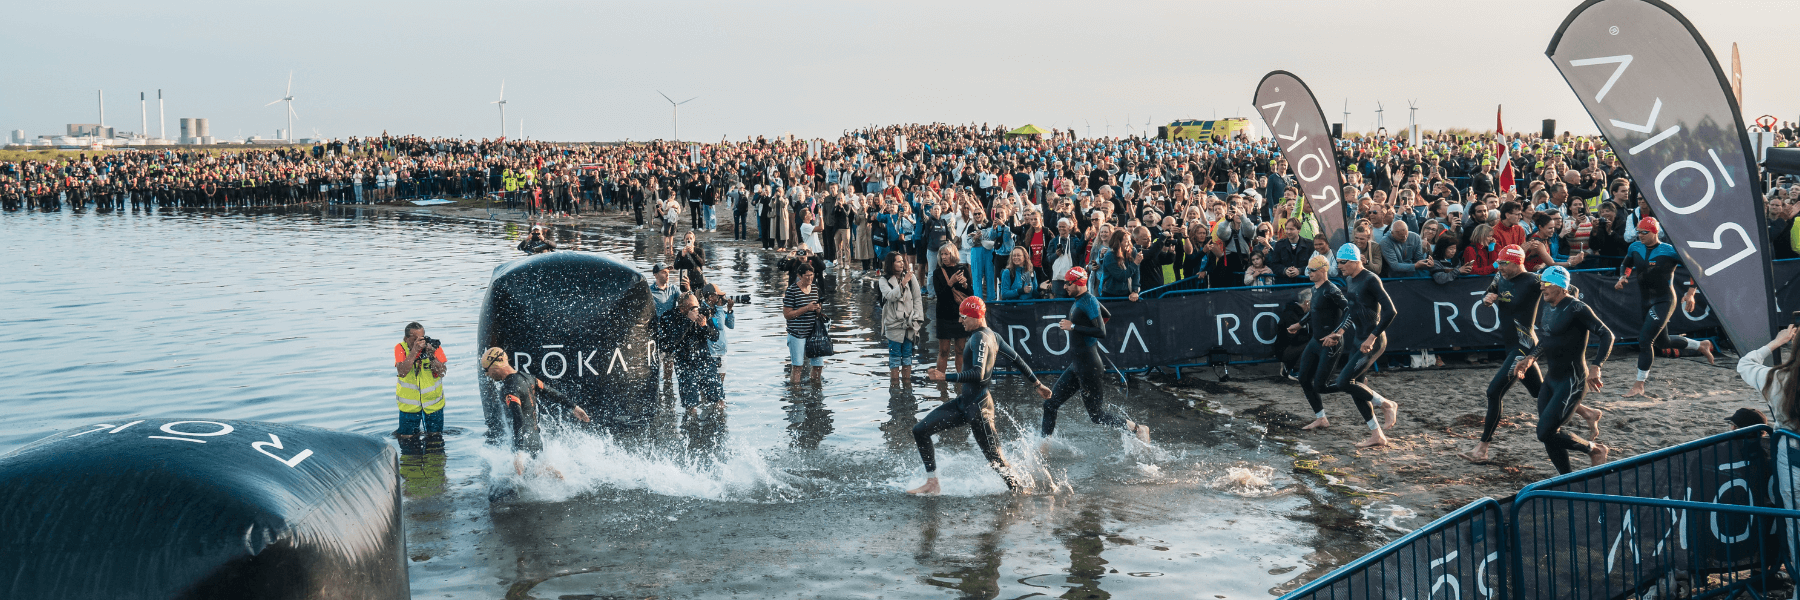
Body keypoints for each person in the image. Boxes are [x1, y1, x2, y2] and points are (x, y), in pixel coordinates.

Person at [1462, 245, 1602, 462]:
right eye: (1498, 263)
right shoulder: (1500, 277)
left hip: (1524, 346)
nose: (1499, 267)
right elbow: (1489, 290)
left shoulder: (1533, 280)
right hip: (1510, 344)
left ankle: (1482, 448)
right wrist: (1486, 298)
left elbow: (1567, 289)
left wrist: (1562, 314)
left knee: (1493, 392)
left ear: (1517, 262)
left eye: (1504, 263)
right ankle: (1587, 413)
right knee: (1539, 392)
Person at [907, 296, 1053, 495]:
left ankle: (1022, 493)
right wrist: (1037, 384)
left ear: (975, 316)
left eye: (963, 317)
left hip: (979, 408)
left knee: (997, 460)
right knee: (920, 430)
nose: (960, 321)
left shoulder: (980, 337)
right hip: (964, 403)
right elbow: (1017, 360)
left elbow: (979, 375)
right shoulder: (992, 336)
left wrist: (945, 376)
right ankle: (932, 483)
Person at [1516, 267, 1612, 474]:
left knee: (1544, 432)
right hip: (1552, 379)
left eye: (1546, 283)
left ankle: (1595, 450)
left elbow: (1607, 335)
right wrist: (1531, 357)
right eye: (1541, 283)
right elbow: (1546, 338)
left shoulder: (1578, 308)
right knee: (1549, 433)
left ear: (1560, 286)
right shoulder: (1549, 306)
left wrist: (1597, 366)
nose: (1541, 287)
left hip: (1573, 380)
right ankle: (1566, 479)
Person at [1041, 267, 1152, 444]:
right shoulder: (1081, 300)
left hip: (1089, 366)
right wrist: (1086, 334)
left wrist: (1075, 327)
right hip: (1076, 365)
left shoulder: (1089, 301)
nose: (1065, 287)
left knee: (1097, 415)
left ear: (1078, 283)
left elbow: (1101, 331)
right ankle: (1044, 445)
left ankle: (1139, 429)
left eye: (1068, 284)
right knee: (1050, 404)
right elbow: (1106, 315)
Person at [1615, 217, 1715, 397]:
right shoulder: (1635, 247)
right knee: (1663, 342)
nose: (1640, 236)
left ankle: (1639, 384)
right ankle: (1701, 345)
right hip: (1646, 301)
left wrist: (1691, 293)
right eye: (1638, 232)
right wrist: (1623, 277)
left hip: (1665, 300)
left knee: (1645, 340)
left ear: (1654, 232)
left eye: (1644, 232)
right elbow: (1626, 264)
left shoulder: (1669, 251)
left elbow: (1697, 269)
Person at [1324, 243, 1401, 448]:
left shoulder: (1370, 279)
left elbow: (1390, 311)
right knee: (1356, 387)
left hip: (1372, 341)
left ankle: (1386, 404)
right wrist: (1339, 332)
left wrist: (1372, 338)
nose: (1339, 266)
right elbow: (1351, 310)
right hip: (1359, 339)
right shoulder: (1350, 279)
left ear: (1356, 261)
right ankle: (1377, 435)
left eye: (1342, 262)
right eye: (1337, 262)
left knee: (1342, 382)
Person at [1737, 324, 1800, 562]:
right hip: (1791, 460)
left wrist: (1776, 342)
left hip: (1792, 461)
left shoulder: (1777, 378)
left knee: (1796, 526)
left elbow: (1745, 364)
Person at [480, 347, 591, 478]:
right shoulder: (528, 378)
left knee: (518, 480)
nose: (487, 374)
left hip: (523, 440)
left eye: (486, 370)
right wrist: (574, 407)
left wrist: (519, 451)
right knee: (537, 473)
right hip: (535, 438)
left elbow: (518, 417)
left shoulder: (509, 388)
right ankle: (563, 483)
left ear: (495, 366)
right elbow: (552, 392)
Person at [1292, 255, 1348, 431]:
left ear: (1323, 270)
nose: (1309, 273)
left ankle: (1354, 386)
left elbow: (1349, 310)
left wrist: (1337, 333)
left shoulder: (1331, 290)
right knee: (1303, 378)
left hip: (1330, 342)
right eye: (1308, 270)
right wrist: (1300, 324)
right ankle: (1321, 418)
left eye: (1312, 270)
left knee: (1320, 385)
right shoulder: (1315, 289)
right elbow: (1314, 311)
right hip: (1316, 341)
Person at [654, 292, 721, 412]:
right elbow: (670, 342)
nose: (696, 310)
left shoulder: (703, 313)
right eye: (691, 308)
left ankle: (716, 425)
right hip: (684, 364)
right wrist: (688, 321)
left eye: (697, 306)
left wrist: (704, 326)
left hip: (704, 360)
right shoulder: (669, 317)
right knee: (691, 406)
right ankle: (691, 427)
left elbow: (715, 336)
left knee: (718, 400)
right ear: (681, 308)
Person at [394, 322, 448, 439]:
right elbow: (402, 372)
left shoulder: (434, 346)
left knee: (435, 439)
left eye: (421, 338)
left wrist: (431, 355)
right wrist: (414, 351)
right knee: (406, 438)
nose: (419, 343)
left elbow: (442, 372)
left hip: (434, 405)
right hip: (409, 406)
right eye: (414, 339)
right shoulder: (400, 348)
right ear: (406, 338)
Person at [878, 252, 926, 385]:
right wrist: (903, 283)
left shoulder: (911, 278)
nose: (902, 264)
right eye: (898, 261)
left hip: (909, 324)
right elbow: (889, 296)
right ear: (890, 264)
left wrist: (916, 320)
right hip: (893, 324)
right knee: (894, 359)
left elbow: (917, 299)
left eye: (902, 261)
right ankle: (894, 388)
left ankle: (907, 385)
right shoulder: (883, 280)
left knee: (907, 357)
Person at [932, 243, 973, 374]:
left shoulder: (963, 269)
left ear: (953, 254)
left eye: (946, 254)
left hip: (960, 315)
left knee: (960, 349)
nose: (944, 257)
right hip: (944, 314)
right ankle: (941, 383)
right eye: (942, 254)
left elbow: (970, 294)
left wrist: (965, 284)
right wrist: (950, 282)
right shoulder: (937, 272)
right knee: (943, 350)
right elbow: (940, 295)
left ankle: (961, 380)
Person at [782, 261, 825, 384]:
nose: (810, 278)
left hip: (813, 333)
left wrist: (818, 310)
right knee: (797, 366)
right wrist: (806, 308)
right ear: (800, 276)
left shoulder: (815, 288)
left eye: (812, 275)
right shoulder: (792, 290)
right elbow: (787, 315)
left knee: (818, 365)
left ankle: (815, 391)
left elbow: (816, 309)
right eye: (807, 276)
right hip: (797, 333)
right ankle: (796, 393)